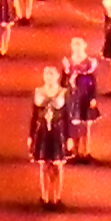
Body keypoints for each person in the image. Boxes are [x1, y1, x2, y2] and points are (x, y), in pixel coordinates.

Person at [28, 62, 73, 207]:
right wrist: (31, 135)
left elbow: (67, 116)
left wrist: (69, 136)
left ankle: (57, 197)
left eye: (52, 74)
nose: (49, 77)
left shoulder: (63, 93)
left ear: (57, 76)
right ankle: (45, 197)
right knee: (44, 166)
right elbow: (34, 116)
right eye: (47, 74)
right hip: (42, 132)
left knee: (57, 166)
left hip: (58, 133)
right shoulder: (37, 92)